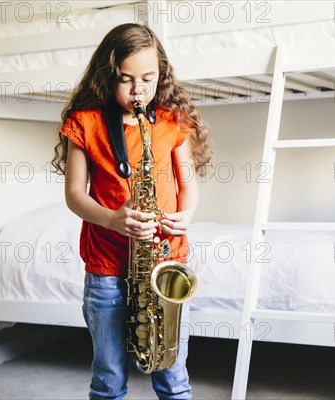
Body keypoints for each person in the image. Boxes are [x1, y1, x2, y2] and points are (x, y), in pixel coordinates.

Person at [51, 23, 212, 400]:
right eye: (126, 79)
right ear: (107, 76)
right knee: (107, 377)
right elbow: (75, 194)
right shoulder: (85, 123)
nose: (139, 90)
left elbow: (189, 186)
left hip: (163, 260)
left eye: (148, 79)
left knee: (173, 377)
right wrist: (111, 218)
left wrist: (185, 216)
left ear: (161, 76)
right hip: (107, 266)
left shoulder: (172, 121)